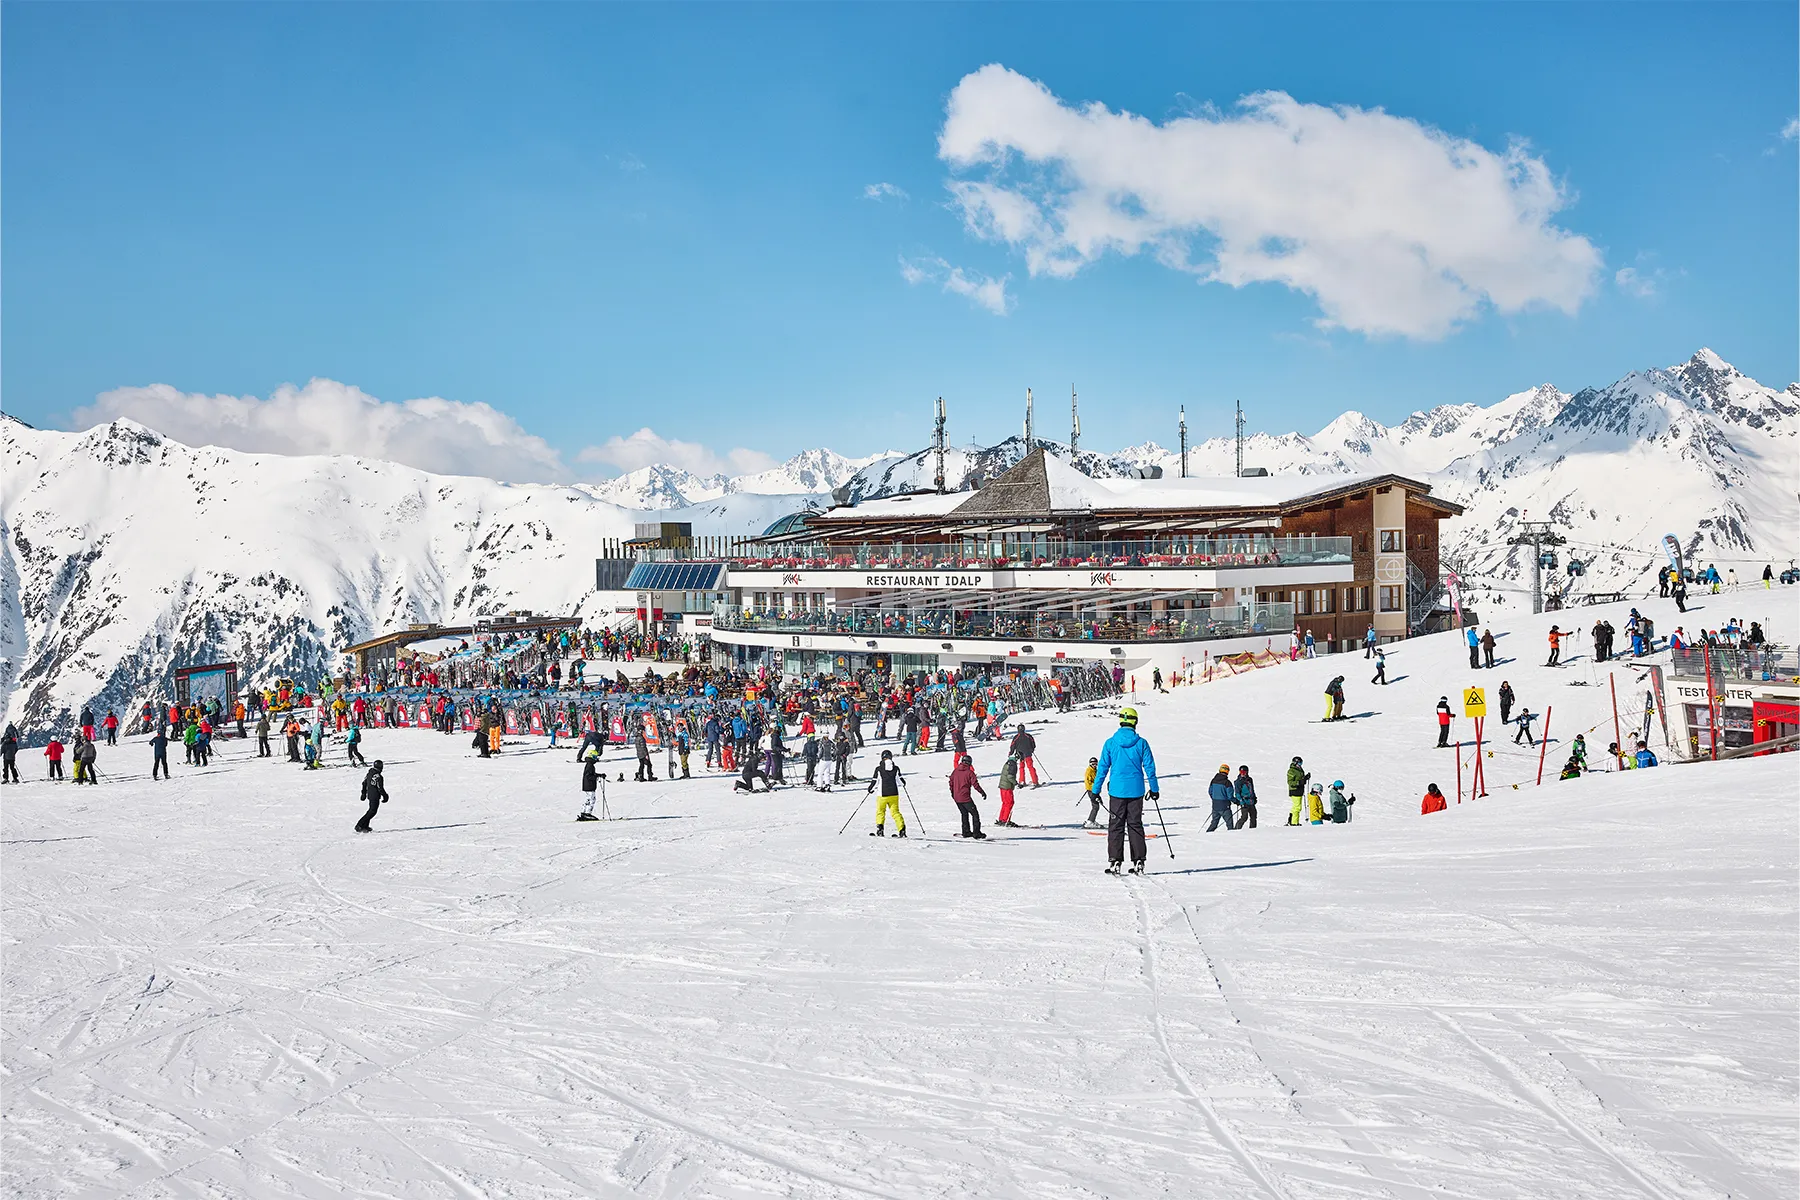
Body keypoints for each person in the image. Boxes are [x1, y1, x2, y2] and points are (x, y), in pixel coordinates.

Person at [1095, 707, 1158, 875]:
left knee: (1115, 825)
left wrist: (1095, 790)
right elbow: (1150, 767)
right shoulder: (1142, 743)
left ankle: (1115, 861)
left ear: (1121, 721)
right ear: (1135, 722)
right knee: (1135, 824)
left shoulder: (1110, 743)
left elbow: (1102, 768)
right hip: (1136, 790)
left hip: (1117, 791)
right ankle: (1139, 861)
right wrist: (1154, 788)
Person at [867, 749, 906, 837]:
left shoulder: (879, 769)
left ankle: (880, 830)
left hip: (882, 795)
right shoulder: (896, 768)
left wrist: (870, 789)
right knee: (895, 812)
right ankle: (902, 830)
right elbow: (901, 782)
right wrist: (903, 784)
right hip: (894, 794)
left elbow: (875, 781)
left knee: (880, 812)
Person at [949, 753, 987, 839]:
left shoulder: (955, 771)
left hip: (957, 798)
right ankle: (976, 833)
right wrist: (982, 792)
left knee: (964, 814)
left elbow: (951, 783)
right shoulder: (969, 772)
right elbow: (975, 785)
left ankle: (966, 831)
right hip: (965, 798)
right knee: (975, 814)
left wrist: (953, 793)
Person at [354, 761, 388, 832]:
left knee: (371, 810)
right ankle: (359, 825)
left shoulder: (370, 773)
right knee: (372, 811)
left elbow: (364, 783)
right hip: (375, 795)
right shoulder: (379, 777)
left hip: (369, 794)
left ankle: (365, 826)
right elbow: (380, 788)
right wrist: (385, 796)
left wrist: (363, 793)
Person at [1205, 764, 1235, 832]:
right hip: (1225, 807)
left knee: (1214, 823)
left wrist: (1215, 799)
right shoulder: (1227, 783)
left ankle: (1207, 835)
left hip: (1215, 806)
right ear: (1227, 772)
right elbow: (1230, 796)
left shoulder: (1213, 780)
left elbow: (1210, 791)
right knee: (1229, 825)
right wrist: (1236, 801)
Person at [996, 753, 1022, 827]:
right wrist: (1016, 784)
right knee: (1009, 803)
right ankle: (1005, 820)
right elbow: (1010, 776)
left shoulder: (1007, 763)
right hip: (1007, 787)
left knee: (1005, 803)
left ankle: (1002, 818)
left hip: (1002, 786)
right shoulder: (1013, 765)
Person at [577, 748, 604, 820]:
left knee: (588, 799)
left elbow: (591, 774)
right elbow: (588, 776)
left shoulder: (590, 764)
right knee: (592, 799)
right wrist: (596, 776)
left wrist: (599, 775)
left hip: (588, 785)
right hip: (589, 785)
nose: (596, 759)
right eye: (595, 757)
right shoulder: (590, 765)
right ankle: (587, 813)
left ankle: (584, 812)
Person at [1286, 756, 1309, 826]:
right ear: (1295, 763)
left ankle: (1291, 821)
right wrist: (1299, 782)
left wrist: (1305, 778)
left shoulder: (1299, 769)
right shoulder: (1291, 771)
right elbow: (1290, 782)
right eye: (1299, 763)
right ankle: (1294, 822)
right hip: (1295, 790)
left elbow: (1301, 779)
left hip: (1300, 790)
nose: (1300, 765)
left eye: (1301, 763)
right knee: (1297, 807)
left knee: (1296, 807)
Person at [1082, 755, 1102, 828]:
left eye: (1096, 764)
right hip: (1091, 791)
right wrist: (1094, 789)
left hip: (1095, 791)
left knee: (1096, 806)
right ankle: (1090, 821)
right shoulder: (1089, 771)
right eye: (1093, 764)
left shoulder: (1095, 770)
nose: (1094, 765)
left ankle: (1091, 820)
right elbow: (1088, 783)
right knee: (1095, 806)